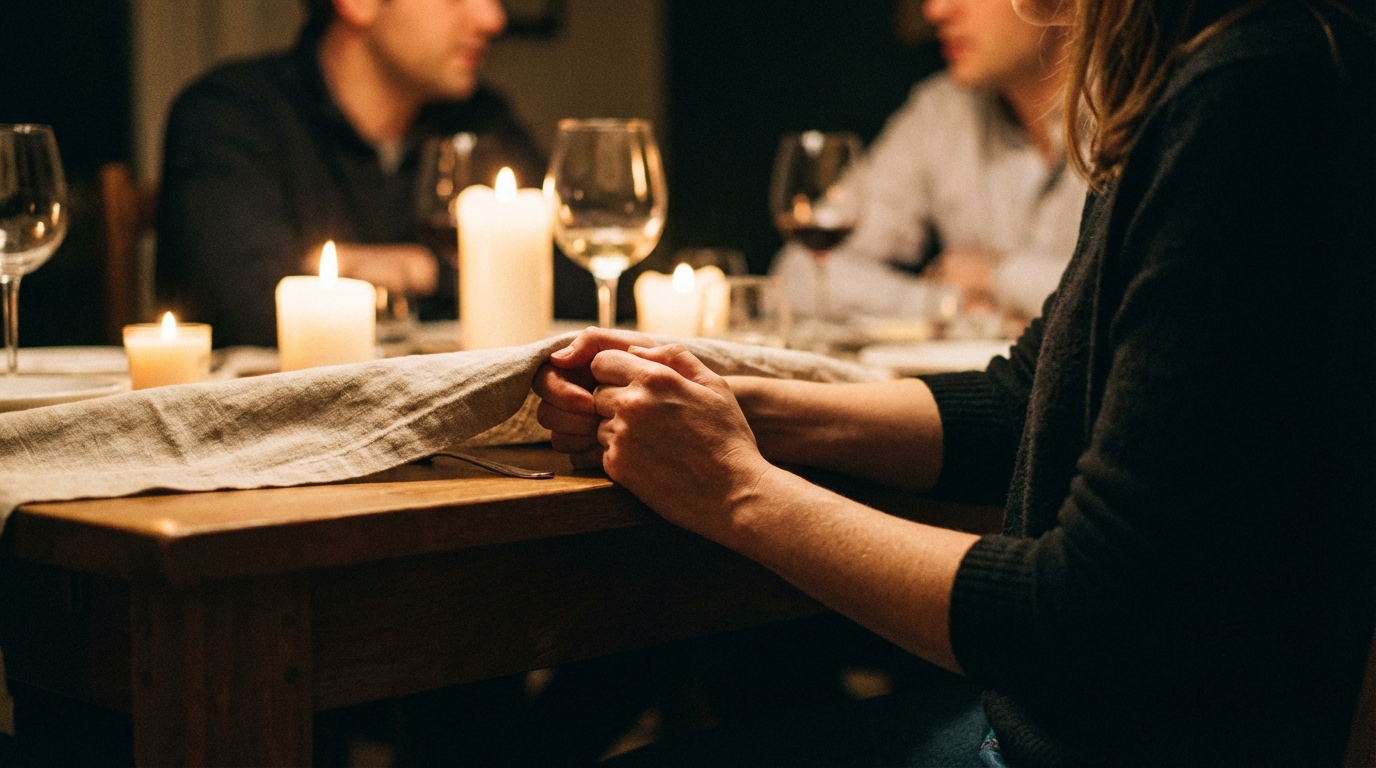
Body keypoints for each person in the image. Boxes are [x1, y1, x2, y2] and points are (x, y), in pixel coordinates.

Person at [536, 0, 1376, 763]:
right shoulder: (1192, 80)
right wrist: (736, 402)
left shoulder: (1255, 91)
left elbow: (1084, 622)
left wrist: (734, 489)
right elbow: (1027, 403)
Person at [156, 0, 594, 347]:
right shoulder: (230, 113)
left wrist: (423, 270)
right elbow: (244, 309)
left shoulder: (483, 121)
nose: (493, 18)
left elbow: (595, 276)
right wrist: (475, 277)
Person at [772, 0, 1088, 325]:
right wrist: (954, 307)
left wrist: (999, 274)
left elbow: (1130, 304)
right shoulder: (941, 111)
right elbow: (802, 270)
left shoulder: (1133, 114)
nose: (935, 10)